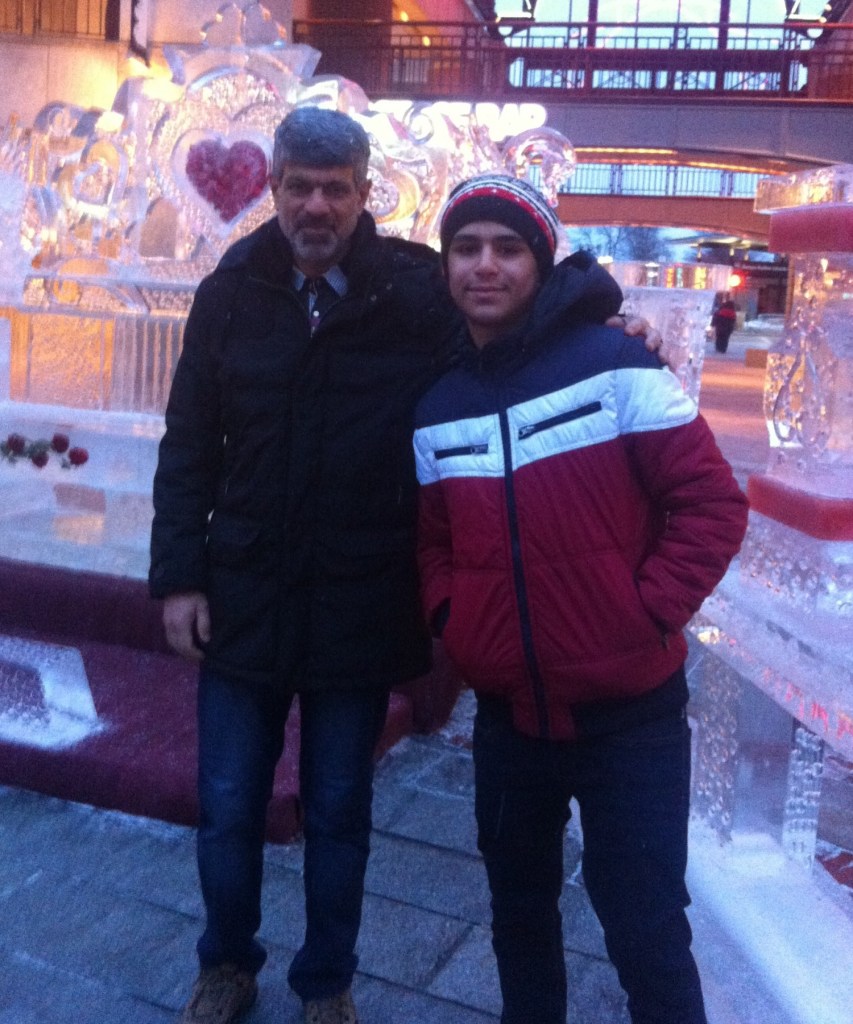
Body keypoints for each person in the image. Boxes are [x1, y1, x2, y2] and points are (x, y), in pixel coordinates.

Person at [150, 108, 663, 1024]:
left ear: (363, 192)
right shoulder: (230, 293)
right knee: (228, 805)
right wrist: (178, 575)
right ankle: (225, 962)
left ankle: (327, 982)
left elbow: (515, 327)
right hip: (242, 595)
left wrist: (614, 335)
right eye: (299, 186)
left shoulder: (413, 293)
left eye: (334, 187)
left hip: (359, 599)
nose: (316, 204)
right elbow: (189, 442)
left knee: (340, 809)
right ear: (271, 190)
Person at [413, 174, 749, 1024]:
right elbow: (435, 542)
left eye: (507, 247)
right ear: (445, 264)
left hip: (628, 717)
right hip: (509, 718)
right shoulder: (438, 406)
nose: (484, 266)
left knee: (643, 928)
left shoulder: (614, 366)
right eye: (465, 247)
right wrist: (456, 622)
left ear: (539, 261)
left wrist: (640, 615)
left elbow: (710, 504)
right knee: (518, 919)